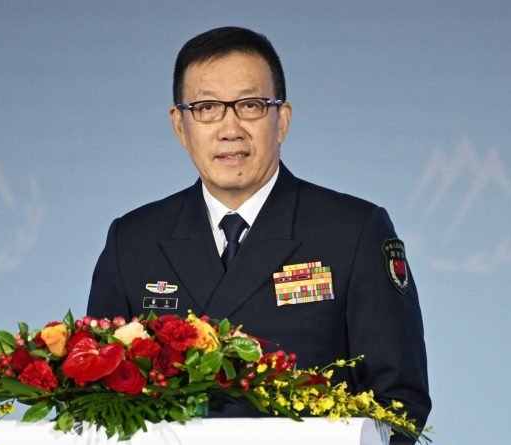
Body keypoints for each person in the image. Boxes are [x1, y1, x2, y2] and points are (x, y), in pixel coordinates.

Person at [87, 26, 430, 441]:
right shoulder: (133, 241)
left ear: (281, 120)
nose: (230, 129)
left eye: (250, 105)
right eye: (207, 108)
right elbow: (95, 400)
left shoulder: (353, 232)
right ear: (180, 126)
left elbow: (399, 401)